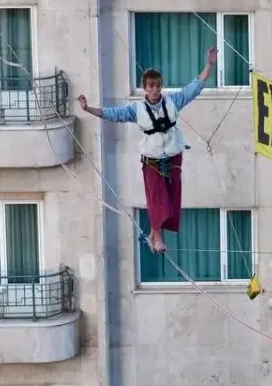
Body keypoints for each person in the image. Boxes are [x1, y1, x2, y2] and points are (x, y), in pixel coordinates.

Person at [78, 47, 218, 254]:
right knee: (157, 198)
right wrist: (88, 109)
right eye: (151, 86)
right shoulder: (136, 110)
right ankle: (158, 236)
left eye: (158, 86)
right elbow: (112, 114)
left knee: (171, 200)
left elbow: (195, 87)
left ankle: (154, 234)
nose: (155, 90)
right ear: (145, 88)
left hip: (173, 158)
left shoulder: (173, 102)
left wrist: (210, 65)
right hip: (152, 160)